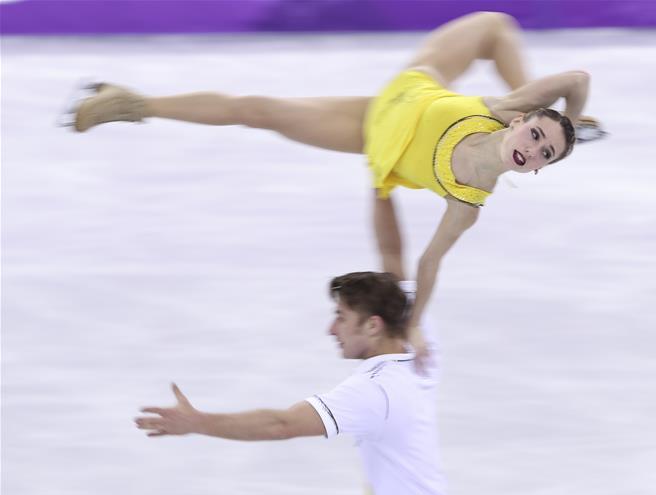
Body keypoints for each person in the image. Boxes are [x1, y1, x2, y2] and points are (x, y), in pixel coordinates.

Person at [69, 11, 604, 354]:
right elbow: (576, 80)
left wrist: (412, 326)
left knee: (258, 111)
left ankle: (128, 101)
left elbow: (426, 263)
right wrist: (574, 123)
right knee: (494, 24)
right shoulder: (506, 108)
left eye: (543, 154)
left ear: (534, 169)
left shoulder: (467, 203)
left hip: (374, 134)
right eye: (536, 135)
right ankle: (134, 102)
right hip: (414, 87)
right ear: (522, 121)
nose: (532, 148)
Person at [134, 271, 455, 495]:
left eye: (341, 317)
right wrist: (380, 187)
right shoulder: (419, 349)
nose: (331, 329)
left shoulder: (375, 391)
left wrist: (198, 422)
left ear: (373, 325)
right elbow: (395, 255)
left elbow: (282, 424)